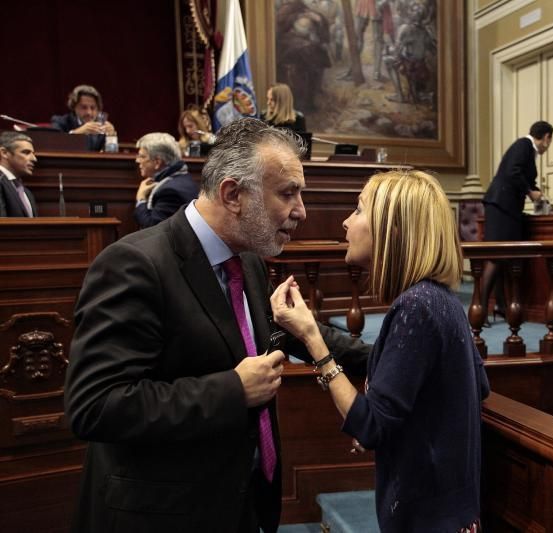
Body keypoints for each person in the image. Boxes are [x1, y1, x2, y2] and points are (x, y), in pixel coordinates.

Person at [64, 118, 370, 533]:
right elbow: (95, 405)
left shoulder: (246, 259)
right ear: (233, 194)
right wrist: (231, 389)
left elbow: (259, 333)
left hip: (240, 502)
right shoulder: (133, 266)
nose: (301, 211)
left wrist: (380, 355)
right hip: (164, 515)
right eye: (288, 194)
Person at [271, 170, 490, 531]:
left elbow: (370, 425)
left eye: (358, 211)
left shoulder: (416, 307)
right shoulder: (440, 299)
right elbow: (475, 384)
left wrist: (313, 340)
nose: (345, 222)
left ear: (394, 231)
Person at [480, 120, 553, 322]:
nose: (548, 145)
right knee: (496, 257)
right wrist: (531, 192)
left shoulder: (526, 149)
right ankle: (480, 308)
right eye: (550, 140)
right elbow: (513, 172)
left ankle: (501, 305)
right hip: (501, 206)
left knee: (503, 258)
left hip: (506, 207)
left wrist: (535, 190)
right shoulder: (524, 145)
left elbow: (522, 176)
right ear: (546, 137)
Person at [133, 132, 199, 228]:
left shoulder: (170, 192)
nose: (137, 160)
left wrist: (141, 199)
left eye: (142, 156)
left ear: (157, 162)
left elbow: (152, 229)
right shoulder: (183, 177)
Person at [50, 85, 116, 152]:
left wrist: (111, 137)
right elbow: (54, 144)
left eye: (93, 108)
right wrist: (78, 132)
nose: (89, 112)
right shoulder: (60, 121)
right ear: (74, 107)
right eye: (84, 107)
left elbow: (110, 154)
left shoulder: (101, 126)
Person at [0, 132, 37, 217]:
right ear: (4, 153)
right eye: (26, 152)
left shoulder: (26, 192)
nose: (34, 159)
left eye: (33, 153)